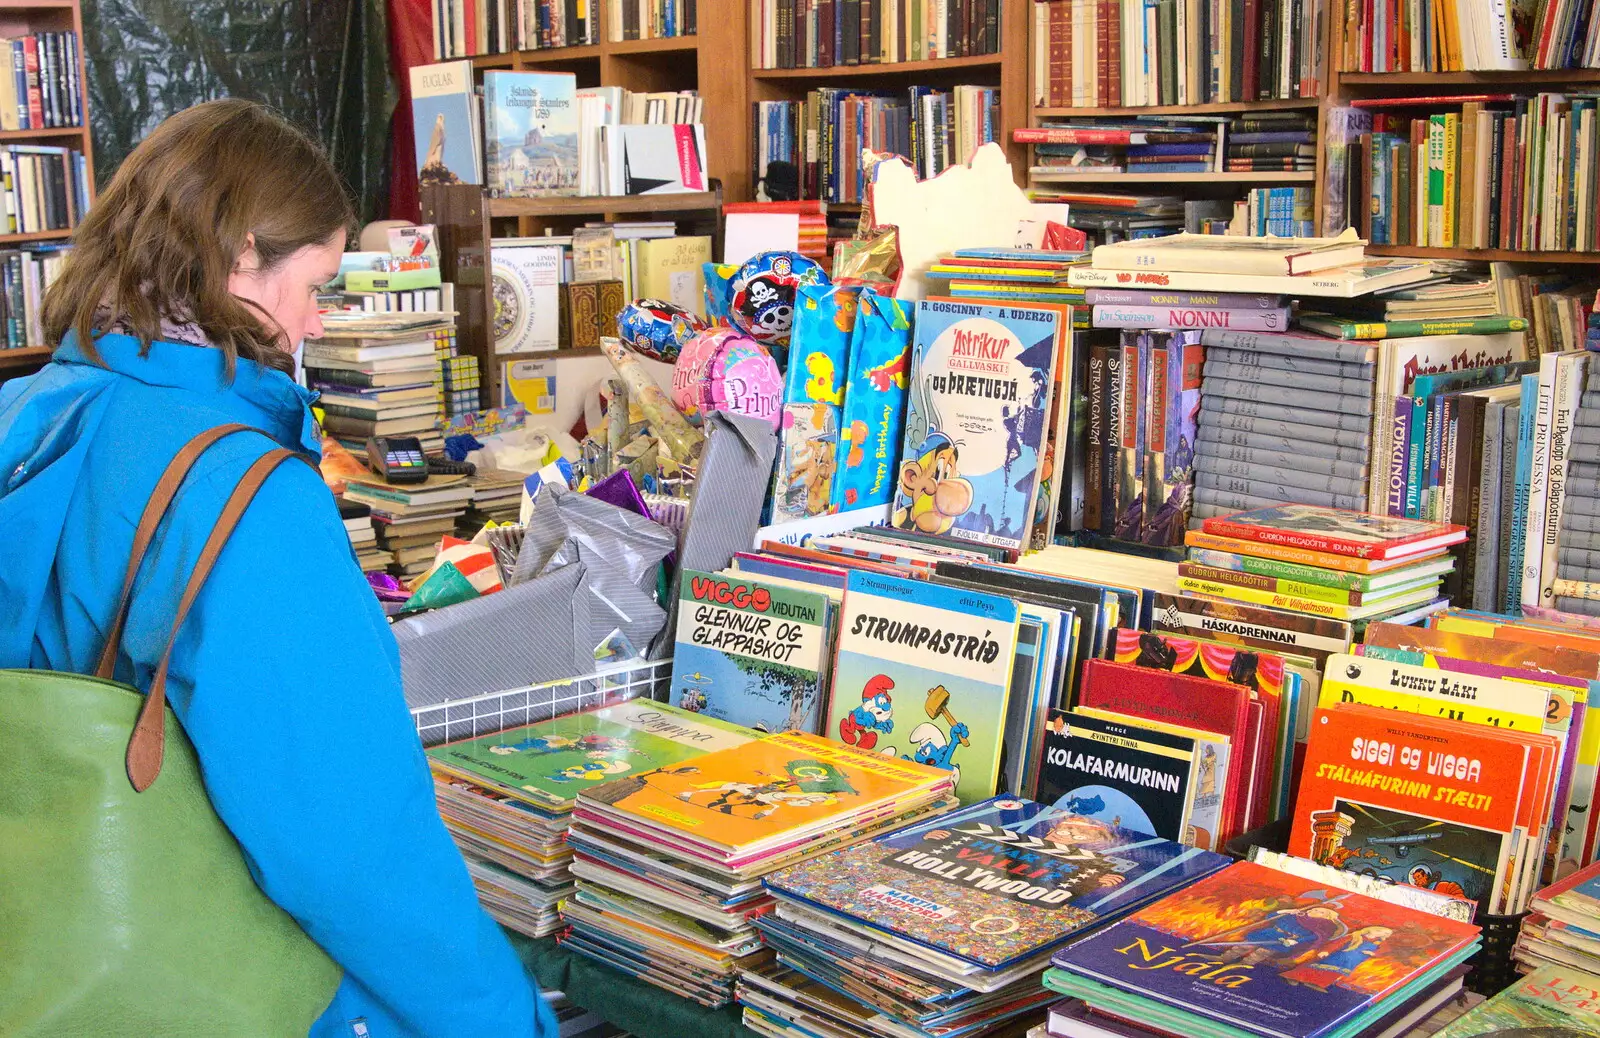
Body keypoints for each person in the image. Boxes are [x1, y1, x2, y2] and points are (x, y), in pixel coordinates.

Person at [0, 100, 555, 1037]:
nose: (311, 325)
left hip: (53, 949)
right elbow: (344, 841)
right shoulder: (245, 490)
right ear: (241, 254)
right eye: (317, 286)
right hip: (234, 982)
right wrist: (501, 1017)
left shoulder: (30, 408)